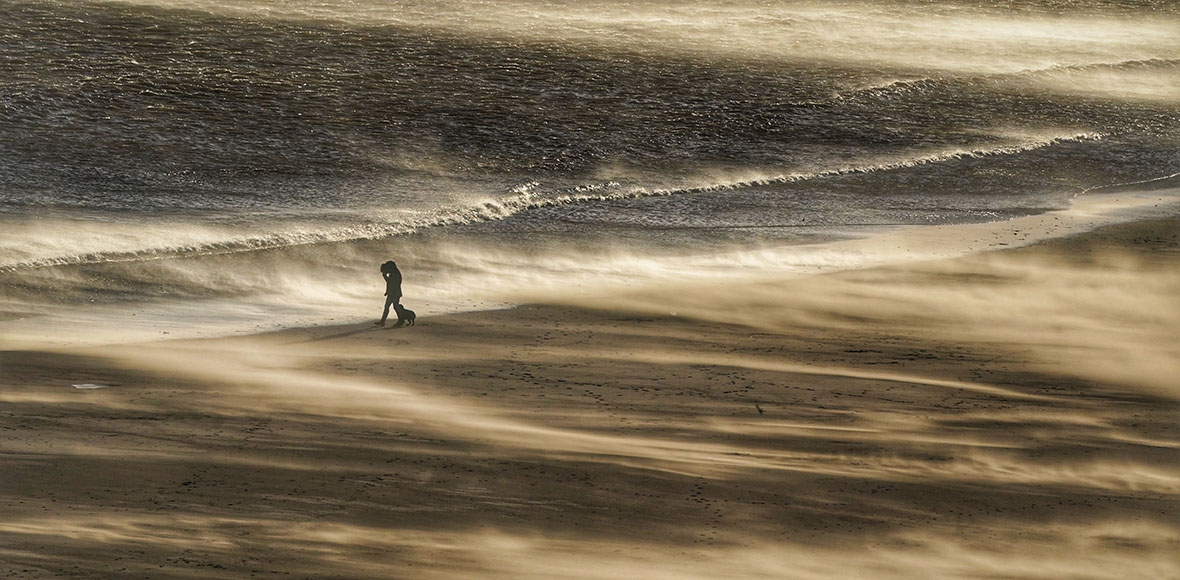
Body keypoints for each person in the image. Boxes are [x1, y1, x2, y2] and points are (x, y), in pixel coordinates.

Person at [375, 260, 403, 327]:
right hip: (393, 293)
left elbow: (390, 282)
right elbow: (390, 283)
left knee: (394, 306)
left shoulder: (395, 274)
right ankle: (383, 321)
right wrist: (387, 291)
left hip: (394, 293)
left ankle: (400, 320)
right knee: (390, 306)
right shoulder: (395, 273)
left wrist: (384, 275)